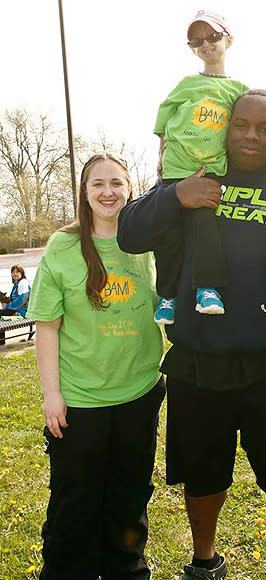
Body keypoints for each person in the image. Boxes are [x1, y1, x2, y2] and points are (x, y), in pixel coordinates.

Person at [118, 89, 266, 580]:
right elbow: (130, 232)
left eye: (264, 127)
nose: (251, 135)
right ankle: (204, 560)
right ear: (225, 128)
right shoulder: (194, 176)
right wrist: (174, 195)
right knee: (204, 473)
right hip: (198, 361)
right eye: (241, 125)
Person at [27, 153, 165, 580]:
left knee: (129, 496)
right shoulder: (63, 247)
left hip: (139, 394)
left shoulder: (150, 244)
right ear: (84, 194)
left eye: (117, 183)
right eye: (97, 184)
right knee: (76, 499)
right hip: (80, 399)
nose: (108, 192)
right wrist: (53, 395)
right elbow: (46, 328)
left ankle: (126, 568)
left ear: (130, 188)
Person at [153, 9, 248, 324]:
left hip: (210, 173)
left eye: (213, 36)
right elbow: (165, 121)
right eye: (197, 40)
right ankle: (167, 295)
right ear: (192, 47)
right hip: (177, 171)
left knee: (205, 230)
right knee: (169, 235)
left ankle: (206, 289)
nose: (206, 44)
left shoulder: (239, 90)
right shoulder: (186, 85)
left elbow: (254, 126)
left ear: (228, 40)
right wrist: (160, 155)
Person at [0, 263, 32, 345]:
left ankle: (1, 341)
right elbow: (15, 299)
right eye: (13, 272)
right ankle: (1, 340)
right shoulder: (17, 284)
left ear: (22, 273)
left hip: (23, 311)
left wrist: (7, 306)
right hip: (18, 309)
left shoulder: (23, 283)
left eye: (17, 272)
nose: (15, 274)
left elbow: (21, 301)